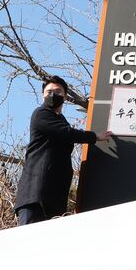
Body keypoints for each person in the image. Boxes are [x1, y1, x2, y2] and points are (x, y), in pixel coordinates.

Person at [15, 75, 111, 225]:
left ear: (65, 96)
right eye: (49, 92)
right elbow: (66, 133)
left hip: (54, 197)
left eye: (58, 92)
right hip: (35, 195)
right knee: (28, 238)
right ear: (42, 95)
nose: (53, 95)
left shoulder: (61, 119)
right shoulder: (41, 114)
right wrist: (95, 136)